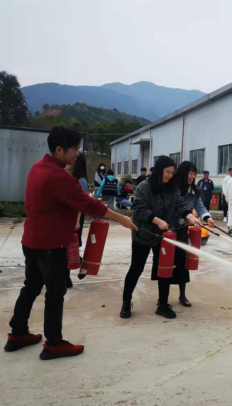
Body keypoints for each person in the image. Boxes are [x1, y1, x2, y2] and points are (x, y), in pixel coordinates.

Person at [5, 126, 136, 360]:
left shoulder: (37, 168)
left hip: (32, 241)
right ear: (59, 150)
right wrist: (122, 219)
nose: (77, 153)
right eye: (75, 149)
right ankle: (54, 344)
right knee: (55, 294)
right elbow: (91, 205)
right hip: (50, 246)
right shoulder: (59, 177)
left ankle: (17, 333)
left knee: (31, 287)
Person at [120, 156, 203, 320]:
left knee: (165, 268)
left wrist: (191, 217)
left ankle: (163, 304)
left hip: (163, 237)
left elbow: (180, 204)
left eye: (172, 173)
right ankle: (126, 302)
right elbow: (139, 208)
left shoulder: (172, 188)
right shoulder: (144, 187)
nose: (170, 176)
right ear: (159, 170)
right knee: (136, 268)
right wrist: (157, 220)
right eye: (167, 172)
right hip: (143, 235)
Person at [174, 161, 216, 307]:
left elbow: (200, 206)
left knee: (183, 263)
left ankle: (182, 295)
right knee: (166, 263)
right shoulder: (173, 188)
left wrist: (208, 218)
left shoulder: (193, 190)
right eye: (190, 173)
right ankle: (163, 298)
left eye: (194, 174)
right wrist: (188, 217)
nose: (192, 177)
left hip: (182, 230)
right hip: (169, 230)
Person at [64, 153, 89, 289]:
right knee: (67, 248)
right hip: (68, 217)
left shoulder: (81, 180)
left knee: (70, 247)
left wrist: (77, 221)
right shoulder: (68, 176)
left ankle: (84, 266)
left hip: (75, 217)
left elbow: (81, 204)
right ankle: (66, 279)